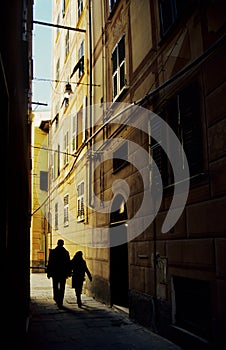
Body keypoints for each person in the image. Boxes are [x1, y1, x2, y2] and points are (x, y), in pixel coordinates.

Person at [46, 239, 71, 308]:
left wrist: (49, 272)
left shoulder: (53, 252)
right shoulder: (66, 252)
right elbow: (68, 263)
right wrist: (68, 272)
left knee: (55, 286)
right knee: (62, 287)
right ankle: (60, 301)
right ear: (63, 244)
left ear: (57, 243)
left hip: (55, 273)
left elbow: (50, 263)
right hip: (63, 273)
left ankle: (56, 298)